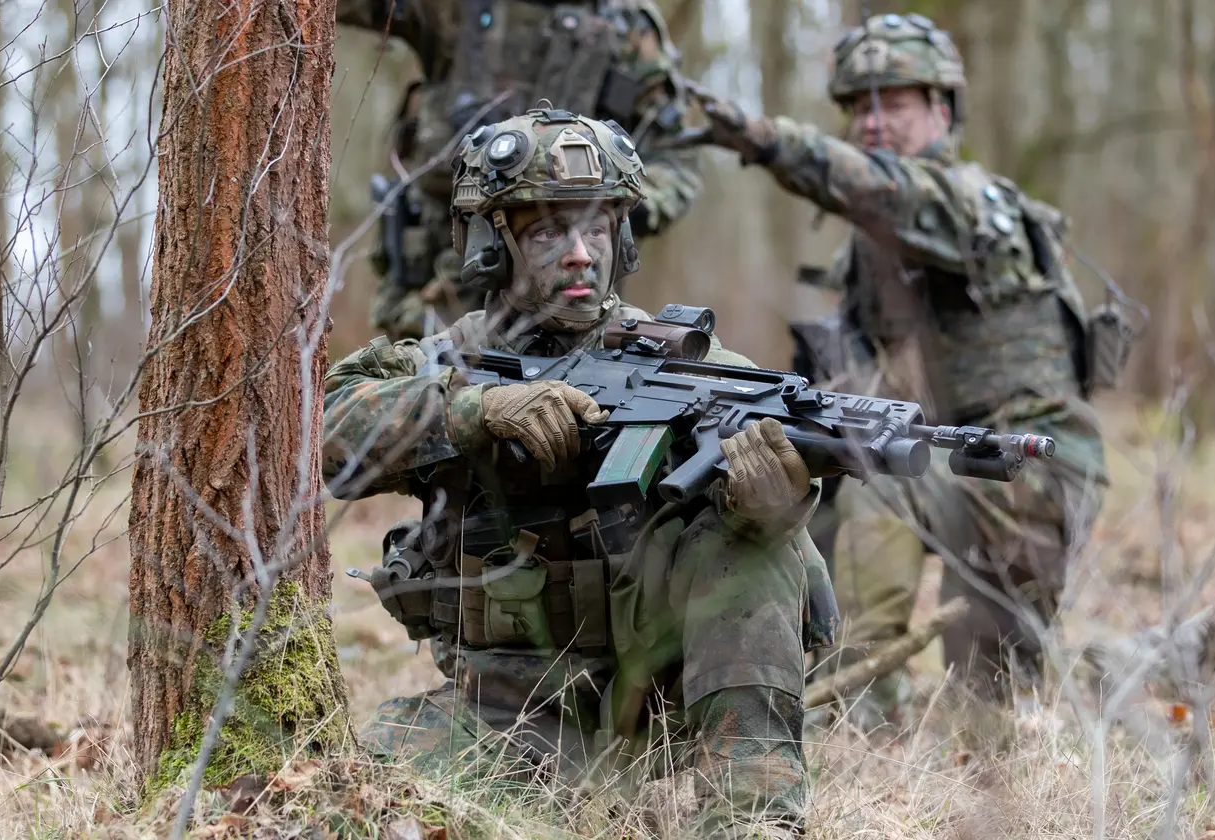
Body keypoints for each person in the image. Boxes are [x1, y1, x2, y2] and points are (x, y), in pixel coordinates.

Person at [323, 108, 819, 839]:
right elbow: (325, 428)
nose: (581, 255)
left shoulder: (696, 370)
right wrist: (473, 411)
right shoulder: (451, 361)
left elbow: (781, 483)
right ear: (493, 246)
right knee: (356, 810)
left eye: (599, 230)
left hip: (663, 712)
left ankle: (752, 818)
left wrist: (775, 503)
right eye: (548, 233)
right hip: (502, 716)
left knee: (755, 546)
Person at [688, 13, 1125, 725]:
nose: (872, 122)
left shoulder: (970, 205)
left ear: (942, 112)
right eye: (859, 107)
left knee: (988, 705)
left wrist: (765, 138)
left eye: (893, 103)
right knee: (826, 482)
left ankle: (1143, 663)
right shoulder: (871, 249)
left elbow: (882, 191)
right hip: (946, 457)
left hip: (1031, 467)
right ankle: (854, 698)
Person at [336, 0, 703, 342]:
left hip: (568, 297)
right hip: (440, 276)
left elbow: (675, 153)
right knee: (426, 382)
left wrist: (615, 209)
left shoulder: (625, 26)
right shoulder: (453, 9)